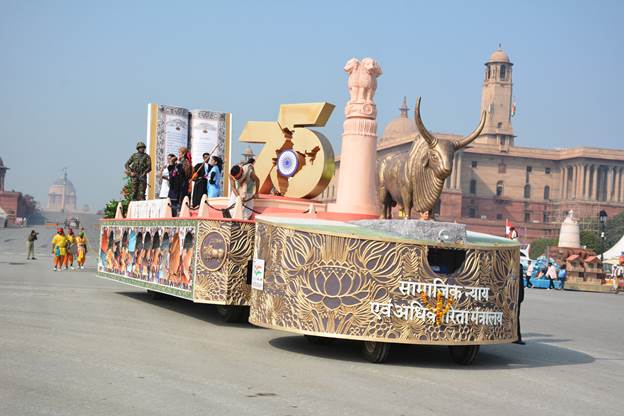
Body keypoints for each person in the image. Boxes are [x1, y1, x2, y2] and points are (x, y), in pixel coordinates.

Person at [513, 263, 526, 345]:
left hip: (516, 295)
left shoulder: (518, 266)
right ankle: (516, 337)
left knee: (515, 316)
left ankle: (516, 336)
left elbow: (520, 284)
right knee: (515, 317)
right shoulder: (517, 266)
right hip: (514, 295)